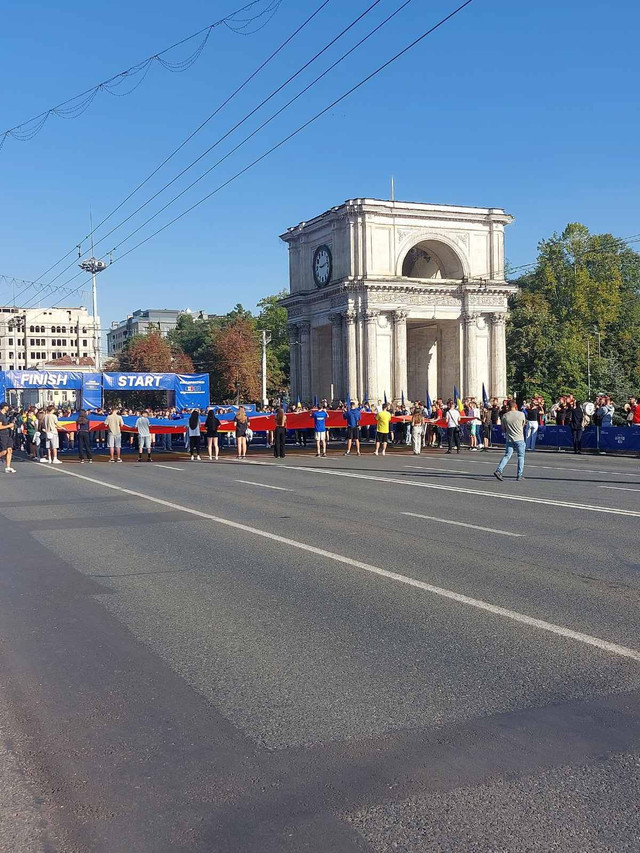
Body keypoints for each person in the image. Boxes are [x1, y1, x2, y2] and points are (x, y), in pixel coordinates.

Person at [493, 400, 526, 481]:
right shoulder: (521, 414)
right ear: (515, 406)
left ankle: (499, 470)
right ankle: (519, 474)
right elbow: (523, 424)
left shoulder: (505, 416)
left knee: (507, 455)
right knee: (520, 456)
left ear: (508, 406)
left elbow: (503, 429)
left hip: (509, 439)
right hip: (519, 438)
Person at [0, 402, 16, 474]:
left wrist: (11, 426)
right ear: (4, 407)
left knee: (10, 450)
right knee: (4, 451)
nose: (8, 408)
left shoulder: (5, 415)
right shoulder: (0, 416)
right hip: (2, 435)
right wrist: (9, 426)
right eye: (7, 407)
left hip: (8, 434)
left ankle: (8, 467)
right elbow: (0, 427)